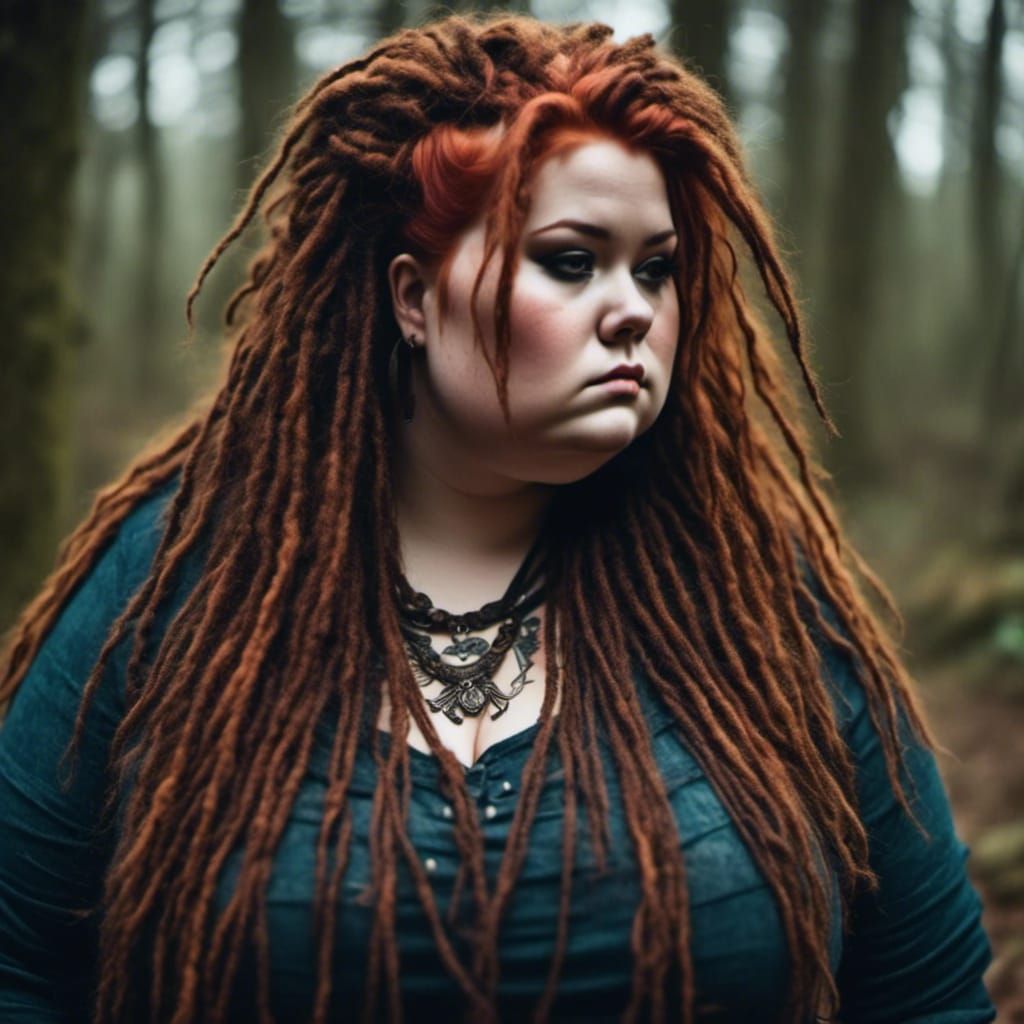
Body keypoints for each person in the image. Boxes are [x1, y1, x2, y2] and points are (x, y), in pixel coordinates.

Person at [0, 12, 996, 1024]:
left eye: (655, 268)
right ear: (413, 298)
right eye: (571, 260)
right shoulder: (178, 583)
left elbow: (927, 997)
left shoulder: (755, 609)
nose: (633, 311)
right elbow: (16, 969)